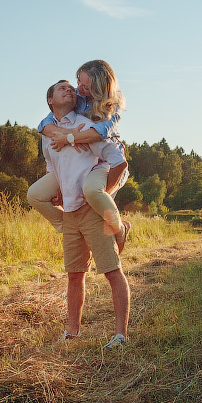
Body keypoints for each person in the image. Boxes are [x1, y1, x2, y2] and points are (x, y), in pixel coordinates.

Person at [41, 79, 131, 350]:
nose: (70, 89)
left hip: (91, 210)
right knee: (74, 275)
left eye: (72, 87)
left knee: (112, 271)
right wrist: (58, 192)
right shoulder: (47, 133)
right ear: (50, 100)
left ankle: (120, 335)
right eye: (62, 88)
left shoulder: (84, 125)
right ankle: (72, 333)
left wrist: (106, 193)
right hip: (69, 213)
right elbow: (51, 168)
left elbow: (115, 159)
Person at [27, 60, 130, 251]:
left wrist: (70, 137)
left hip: (105, 163)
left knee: (92, 195)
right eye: (78, 82)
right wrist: (61, 181)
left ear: (99, 90)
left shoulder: (111, 108)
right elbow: (45, 123)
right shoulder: (76, 96)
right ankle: (69, 227)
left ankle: (119, 229)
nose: (78, 89)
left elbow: (100, 133)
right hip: (78, 164)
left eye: (85, 86)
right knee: (35, 195)